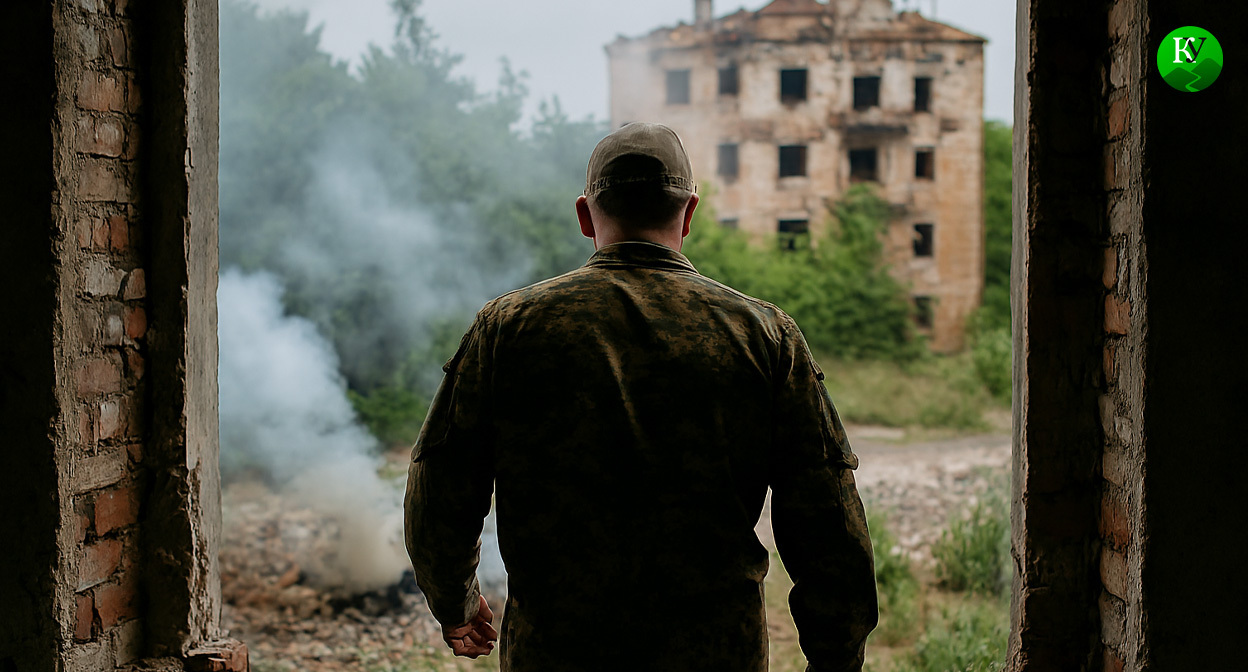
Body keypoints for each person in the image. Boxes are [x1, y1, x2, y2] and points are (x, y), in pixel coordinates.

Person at [404, 122, 878, 672]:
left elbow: (442, 483)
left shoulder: (510, 328)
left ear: (585, 215)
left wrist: (455, 601)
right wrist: (836, 656)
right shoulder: (763, 335)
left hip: (556, 651)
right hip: (715, 653)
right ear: (690, 212)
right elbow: (828, 521)